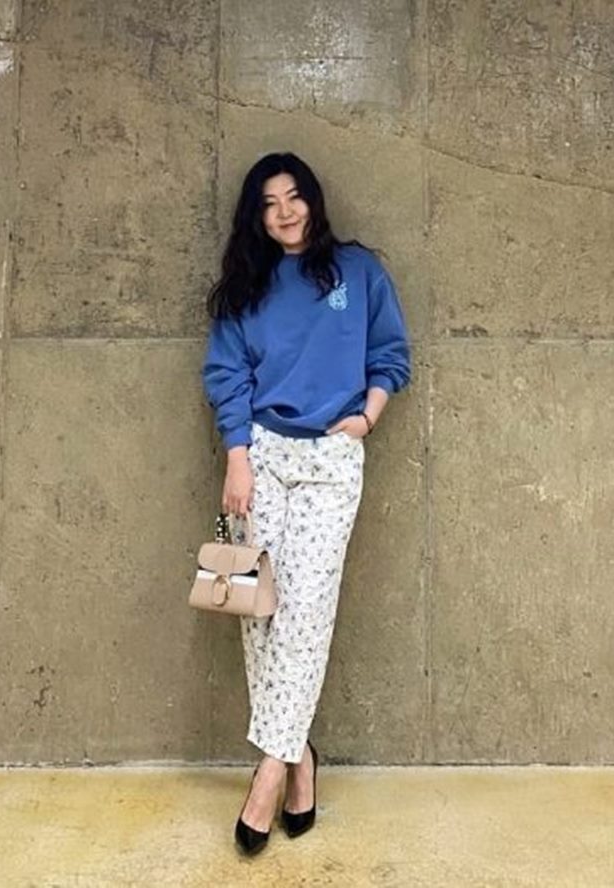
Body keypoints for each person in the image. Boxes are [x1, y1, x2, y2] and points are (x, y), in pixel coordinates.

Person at [202, 152, 411, 855]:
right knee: (260, 614)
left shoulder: (358, 271)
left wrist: (367, 417)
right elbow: (226, 372)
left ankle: (268, 771)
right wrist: (237, 456)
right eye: (270, 203)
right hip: (262, 455)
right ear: (256, 216)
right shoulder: (248, 283)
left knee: (307, 611)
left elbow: (391, 354)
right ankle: (300, 759)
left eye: (294, 197)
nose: (285, 212)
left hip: (331, 460)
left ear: (313, 200)